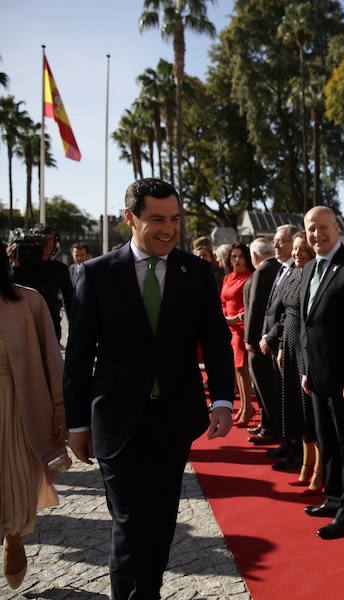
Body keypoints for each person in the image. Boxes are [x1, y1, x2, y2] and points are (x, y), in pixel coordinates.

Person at [64, 178, 234, 600]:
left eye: (174, 219)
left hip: (174, 419)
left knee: (160, 520)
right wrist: (76, 424)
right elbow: (80, 356)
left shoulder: (195, 272)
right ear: (130, 219)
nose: (168, 229)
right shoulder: (95, 273)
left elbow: (215, 340)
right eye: (156, 219)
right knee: (128, 520)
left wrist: (224, 400)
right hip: (117, 421)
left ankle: (150, 592)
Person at [299, 206, 344, 540]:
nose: (317, 234)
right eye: (311, 229)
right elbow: (306, 323)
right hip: (317, 376)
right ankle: (332, 497)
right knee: (327, 441)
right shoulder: (308, 269)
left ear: (337, 228)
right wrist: (305, 370)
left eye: (323, 228)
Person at [0, 243, 70, 590]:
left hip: (16, 404)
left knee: (12, 478)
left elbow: (52, 361)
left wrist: (60, 407)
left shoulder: (28, 301)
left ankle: (13, 534)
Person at [276, 232, 322, 488]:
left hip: (306, 346)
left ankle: (318, 467)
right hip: (290, 341)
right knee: (296, 407)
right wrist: (282, 344)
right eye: (294, 249)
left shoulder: (313, 276)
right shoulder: (293, 274)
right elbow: (284, 313)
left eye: (302, 250)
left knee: (309, 409)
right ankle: (305, 460)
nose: (296, 254)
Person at [259, 224, 300, 468]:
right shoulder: (281, 269)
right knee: (281, 398)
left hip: (286, 343)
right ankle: (287, 443)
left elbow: (288, 313)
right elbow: (271, 308)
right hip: (275, 345)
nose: (275, 245)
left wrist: (273, 337)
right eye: (274, 241)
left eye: (280, 241)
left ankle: (295, 449)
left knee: (290, 400)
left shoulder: (296, 270)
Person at [243, 237, 281, 445]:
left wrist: (250, 339)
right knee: (263, 386)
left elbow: (256, 308)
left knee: (264, 386)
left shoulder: (263, 271)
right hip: (264, 338)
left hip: (258, 340)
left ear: (255, 255)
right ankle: (266, 423)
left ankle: (270, 427)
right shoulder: (275, 269)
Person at [8, 224, 73, 342]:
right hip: (21, 323)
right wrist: (14, 265)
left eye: (49, 239)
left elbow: (69, 299)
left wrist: (73, 323)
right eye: (40, 238)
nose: (45, 243)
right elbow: (10, 289)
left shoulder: (59, 268)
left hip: (50, 323)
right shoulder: (19, 265)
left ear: (55, 243)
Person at [221, 242, 256, 427]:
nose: (236, 260)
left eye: (240, 256)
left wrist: (235, 318)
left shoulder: (249, 277)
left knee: (243, 370)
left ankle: (248, 407)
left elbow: (250, 305)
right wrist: (225, 319)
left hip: (243, 328)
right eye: (233, 256)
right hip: (229, 328)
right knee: (237, 368)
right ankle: (243, 407)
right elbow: (223, 301)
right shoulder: (228, 278)